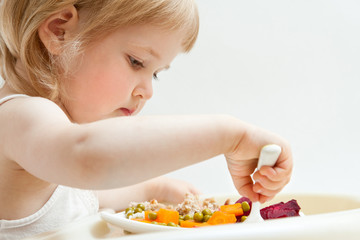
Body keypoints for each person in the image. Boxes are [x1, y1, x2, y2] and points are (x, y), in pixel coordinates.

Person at [0, 0, 293, 239]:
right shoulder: (18, 116)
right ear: (58, 31)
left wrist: (157, 189)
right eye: (136, 62)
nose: (147, 92)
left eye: (155, 73)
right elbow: (86, 157)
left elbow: (83, 196)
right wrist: (231, 136)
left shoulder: (47, 150)